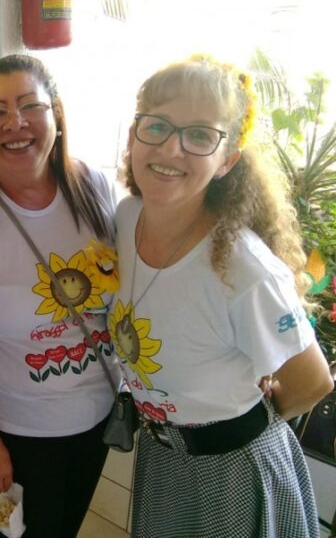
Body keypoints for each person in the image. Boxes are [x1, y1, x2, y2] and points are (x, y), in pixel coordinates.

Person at [110, 54, 334, 537]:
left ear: (227, 160)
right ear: (133, 136)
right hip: (162, 458)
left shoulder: (244, 270)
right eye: (157, 126)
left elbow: (312, 381)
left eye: (199, 136)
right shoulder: (125, 217)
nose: (171, 149)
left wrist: (237, 419)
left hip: (234, 469)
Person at [0, 54, 119, 538]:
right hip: (20, 433)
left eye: (30, 105)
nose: (15, 122)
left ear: (56, 115)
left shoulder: (93, 186)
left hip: (98, 415)